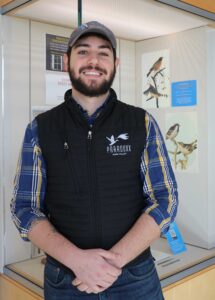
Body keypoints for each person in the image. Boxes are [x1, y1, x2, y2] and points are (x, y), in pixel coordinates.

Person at [11, 21, 178, 300]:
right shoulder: (41, 128)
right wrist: (78, 261)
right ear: (67, 61)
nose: (93, 61)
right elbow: (24, 208)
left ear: (115, 63)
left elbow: (164, 199)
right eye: (83, 51)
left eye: (103, 53)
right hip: (66, 280)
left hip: (135, 279)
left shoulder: (141, 122)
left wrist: (111, 264)